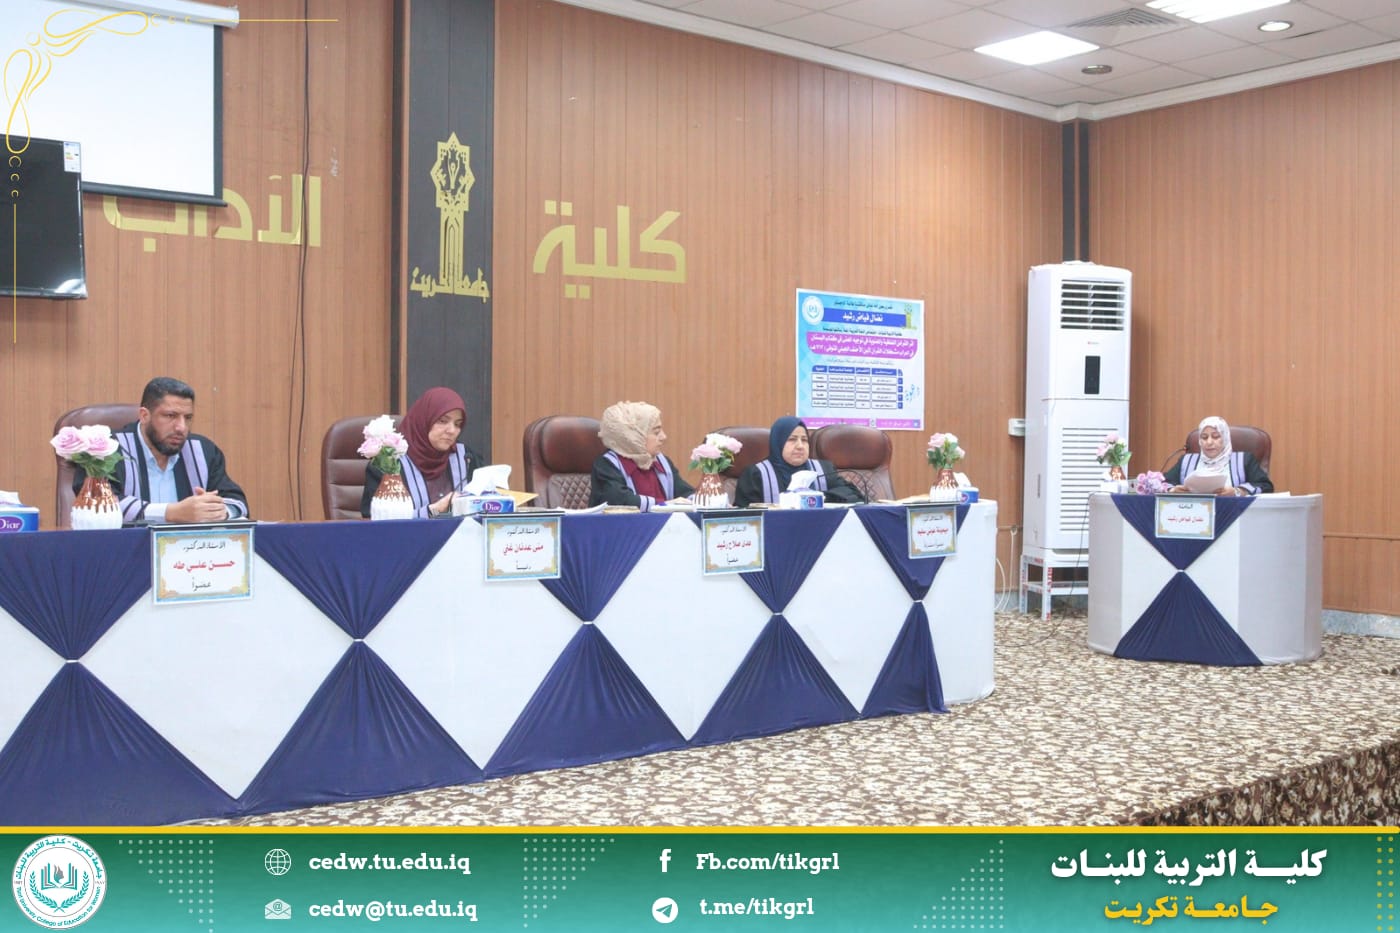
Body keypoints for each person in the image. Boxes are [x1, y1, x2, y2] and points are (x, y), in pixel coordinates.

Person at [78, 376, 248, 523]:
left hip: (190, 548)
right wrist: (171, 513)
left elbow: (238, 503)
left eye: (188, 418)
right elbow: (96, 504)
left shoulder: (203, 451)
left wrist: (218, 512)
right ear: (144, 415)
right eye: (170, 416)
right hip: (128, 548)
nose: (181, 427)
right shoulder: (107, 450)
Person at [360, 387, 484, 518]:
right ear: (424, 420)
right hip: (409, 532)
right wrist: (433, 510)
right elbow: (376, 519)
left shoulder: (466, 458)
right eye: (443, 421)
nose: (452, 430)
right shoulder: (390, 462)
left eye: (458, 424)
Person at [733, 416, 866, 507]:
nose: (800, 446)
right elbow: (745, 517)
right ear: (777, 443)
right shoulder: (756, 475)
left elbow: (855, 496)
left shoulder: (823, 469)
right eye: (792, 439)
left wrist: (820, 498)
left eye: (804, 440)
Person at [589, 401, 694, 510]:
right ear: (633, 437)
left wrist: (697, 500)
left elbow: (684, 493)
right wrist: (665, 505)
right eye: (656, 432)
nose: (663, 437)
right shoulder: (607, 465)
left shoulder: (661, 462)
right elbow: (622, 502)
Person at [1164, 416, 1273, 496]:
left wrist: (1238, 491)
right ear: (1199, 441)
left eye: (1216, 437)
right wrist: (1172, 490)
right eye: (1204, 437)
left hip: (1233, 514)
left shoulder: (1243, 460)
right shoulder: (1187, 461)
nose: (1209, 442)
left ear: (1225, 438)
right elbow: (1163, 484)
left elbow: (1265, 486)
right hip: (1193, 515)